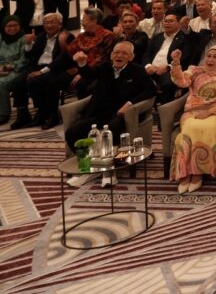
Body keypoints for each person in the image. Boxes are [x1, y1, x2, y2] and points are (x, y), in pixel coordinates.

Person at [63, 41, 156, 187]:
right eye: (116, 52)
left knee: (112, 131)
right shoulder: (105, 67)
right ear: (112, 55)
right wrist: (82, 63)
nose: (120, 56)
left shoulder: (137, 70)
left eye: (124, 53)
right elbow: (88, 75)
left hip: (121, 115)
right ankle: (87, 167)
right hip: (99, 113)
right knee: (72, 132)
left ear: (131, 57)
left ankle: (109, 171)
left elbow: (151, 90)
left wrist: (129, 103)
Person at [168, 45, 216, 193]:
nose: (210, 59)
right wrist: (176, 63)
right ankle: (185, 174)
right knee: (190, 128)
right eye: (209, 56)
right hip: (192, 112)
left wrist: (209, 112)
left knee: (206, 129)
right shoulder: (195, 71)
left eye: (215, 57)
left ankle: (197, 174)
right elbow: (181, 81)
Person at [18, 12, 70, 129]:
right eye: (46, 23)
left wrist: (42, 72)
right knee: (19, 81)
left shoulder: (66, 36)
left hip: (56, 68)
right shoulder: (41, 36)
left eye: (52, 22)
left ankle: (49, 114)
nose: (49, 25)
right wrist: (28, 44)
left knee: (35, 81)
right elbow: (30, 55)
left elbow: (62, 59)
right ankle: (24, 115)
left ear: (60, 24)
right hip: (38, 67)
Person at [143, 13, 193, 102]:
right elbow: (147, 54)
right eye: (165, 21)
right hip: (151, 69)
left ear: (178, 24)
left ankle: (163, 107)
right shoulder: (157, 36)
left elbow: (185, 58)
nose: (167, 23)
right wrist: (148, 66)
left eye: (171, 21)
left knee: (168, 83)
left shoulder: (184, 38)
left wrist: (167, 67)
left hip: (169, 71)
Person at [0, 16, 30, 126]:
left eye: (15, 25)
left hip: (18, 69)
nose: (12, 28)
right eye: (9, 26)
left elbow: (24, 60)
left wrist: (6, 67)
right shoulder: (1, 38)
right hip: (1, 68)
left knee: (1, 83)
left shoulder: (24, 39)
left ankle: (4, 113)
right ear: (3, 27)